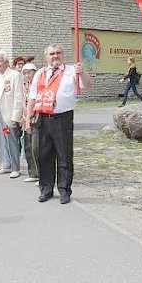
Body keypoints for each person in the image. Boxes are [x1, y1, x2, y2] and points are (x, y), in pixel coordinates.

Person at [26, 44, 91, 204]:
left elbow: (87, 84)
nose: (55, 56)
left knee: (64, 155)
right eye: (51, 54)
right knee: (44, 155)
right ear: (46, 56)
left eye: (58, 53)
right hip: (43, 117)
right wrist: (28, 118)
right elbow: (32, 97)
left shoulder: (71, 71)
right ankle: (46, 189)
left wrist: (81, 73)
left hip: (63, 118)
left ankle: (64, 190)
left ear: (63, 54)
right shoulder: (40, 73)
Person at [0, 51, 24, 178]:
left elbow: (18, 97)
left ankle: (15, 167)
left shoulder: (14, 75)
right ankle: (5, 164)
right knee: (1, 139)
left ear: (6, 62)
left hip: (9, 111)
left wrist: (16, 116)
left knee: (12, 139)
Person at [21, 63, 39, 183]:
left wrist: (31, 112)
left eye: (30, 72)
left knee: (36, 147)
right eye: (25, 73)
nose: (27, 75)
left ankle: (42, 173)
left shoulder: (38, 84)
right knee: (27, 146)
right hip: (25, 118)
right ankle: (32, 173)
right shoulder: (24, 85)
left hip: (36, 117)